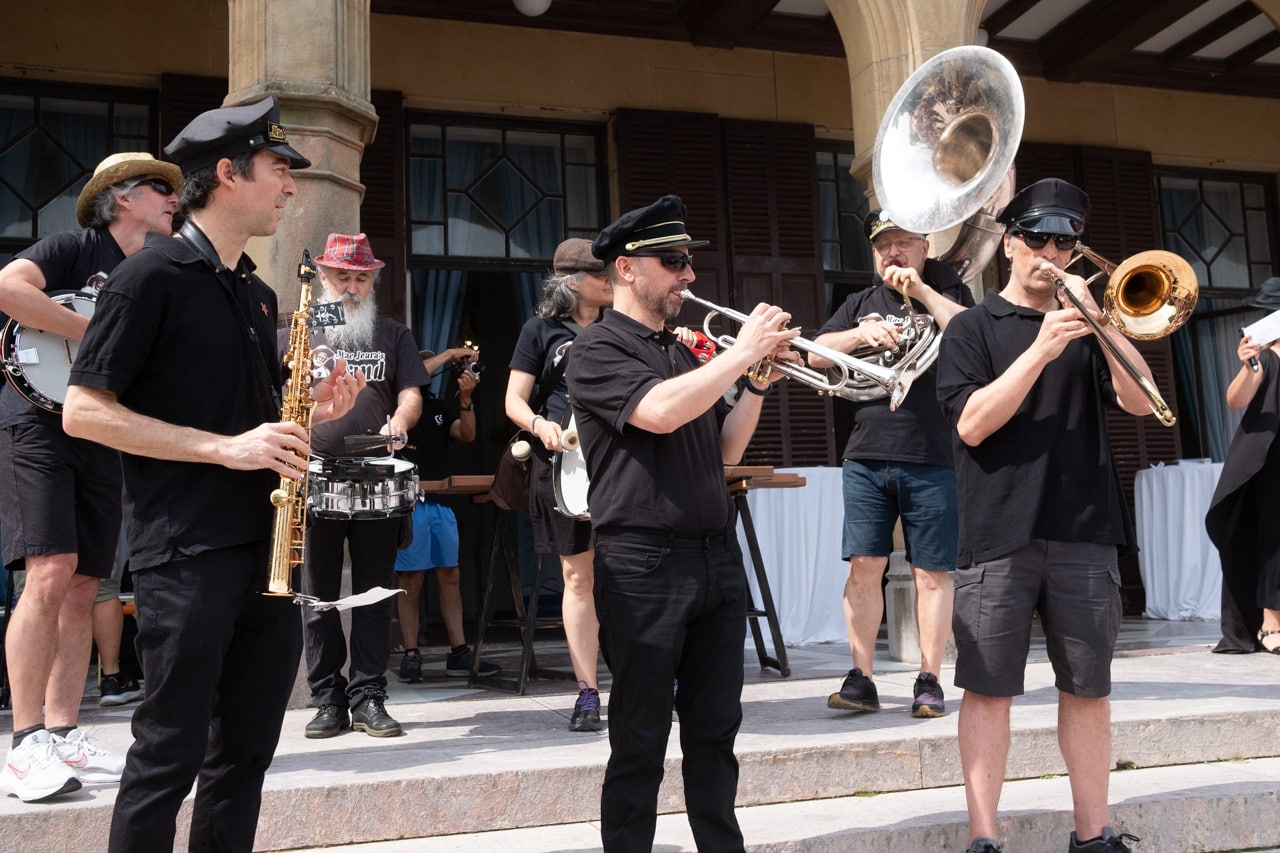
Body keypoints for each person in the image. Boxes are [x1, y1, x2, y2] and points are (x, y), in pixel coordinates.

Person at [62, 96, 365, 850]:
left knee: (244, 758)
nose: (290, 187)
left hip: (267, 554)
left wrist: (319, 411)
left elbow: (257, 430)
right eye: (278, 169)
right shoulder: (147, 277)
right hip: (185, 552)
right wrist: (223, 449)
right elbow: (84, 412)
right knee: (168, 755)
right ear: (227, 173)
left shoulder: (256, 294)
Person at [565, 195, 799, 852]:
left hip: (715, 557)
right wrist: (741, 352)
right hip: (642, 565)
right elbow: (660, 412)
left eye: (688, 261)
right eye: (673, 261)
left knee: (715, 734)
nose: (689, 275)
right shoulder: (595, 348)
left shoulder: (685, 352)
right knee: (640, 738)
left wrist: (757, 380)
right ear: (627, 268)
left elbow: (724, 451)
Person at [936, 178, 1146, 853]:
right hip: (999, 531)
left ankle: (1094, 834)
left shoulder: (1088, 326)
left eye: (1063, 242)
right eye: (1036, 238)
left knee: (1088, 689)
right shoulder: (971, 328)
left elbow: (1143, 401)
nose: (1050, 252)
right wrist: (1040, 349)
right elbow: (971, 424)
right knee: (988, 690)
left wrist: (1102, 323)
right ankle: (984, 838)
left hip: (1085, 526)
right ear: (1009, 242)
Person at [0, 151, 180, 803]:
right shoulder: (73, 247)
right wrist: (93, 330)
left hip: (102, 432)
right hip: (36, 422)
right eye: (159, 187)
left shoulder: (153, 272)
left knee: (85, 587)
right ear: (121, 197)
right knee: (49, 571)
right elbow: (9, 289)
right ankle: (25, 744)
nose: (173, 197)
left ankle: (64, 729)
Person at [809, 209, 972, 719]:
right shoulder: (859, 303)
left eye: (903, 242)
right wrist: (861, 335)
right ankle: (861, 678)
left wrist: (922, 292)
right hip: (866, 453)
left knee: (931, 573)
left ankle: (929, 678)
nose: (892, 252)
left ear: (926, 247)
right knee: (864, 566)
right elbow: (815, 353)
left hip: (933, 453)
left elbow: (972, 335)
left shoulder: (951, 292)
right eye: (883, 245)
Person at [300, 232, 431, 740]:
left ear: (373, 280)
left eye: (362, 278)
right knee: (318, 593)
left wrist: (400, 421)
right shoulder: (302, 329)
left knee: (376, 590)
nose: (352, 287)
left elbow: (411, 393)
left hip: (376, 473)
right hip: (314, 471)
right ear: (324, 277)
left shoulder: (392, 333)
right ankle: (327, 698)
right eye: (343, 277)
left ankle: (369, 695)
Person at [504, 237, 613, 731]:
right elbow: (514, 400)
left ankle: (655, 680)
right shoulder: (539, 330)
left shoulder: (622, 325)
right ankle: (588, 692)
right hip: (565, 463)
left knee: (631, 573)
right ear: (573, 281)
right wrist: (538, 425)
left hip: (620, 461)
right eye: (601, 274)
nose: (611, 281)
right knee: (578, 577)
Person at [395, 347, 499, 681]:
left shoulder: (438, 408)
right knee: (411, 580)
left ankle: (459, 652)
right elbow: (417, 372)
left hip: (440, 501)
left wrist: (466, 398)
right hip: (410, 503)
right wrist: (451, 352)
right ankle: (411, 653)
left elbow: (467, 433)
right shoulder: (397, 405)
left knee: (450, 575)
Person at [1206, 276, 1280, 656]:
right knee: (1273, 540)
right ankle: (1270, 622)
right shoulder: (1264, 358)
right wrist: (1248, 366)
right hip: (1269, 459)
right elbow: (1235, 400)